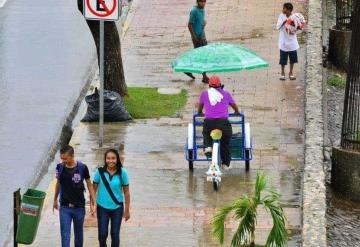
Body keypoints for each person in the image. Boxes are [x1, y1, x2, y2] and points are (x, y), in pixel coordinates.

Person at [53, 145, 96, 247]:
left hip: (79, 207)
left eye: (65, 158)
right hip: (64, 207)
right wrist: (54, 199)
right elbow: (58, 183)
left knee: (79, 235)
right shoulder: (59, 167)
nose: (63, 161)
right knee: (65, 235)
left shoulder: (82, 168)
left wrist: (94, 202)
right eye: (62, 158)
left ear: (72, 156)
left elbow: (89, 184)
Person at [198, 76, 240, 168]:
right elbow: (234, 105)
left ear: (209, 85)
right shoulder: (226, 94)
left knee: (206, 133)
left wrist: (200, 112)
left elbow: (200, 106)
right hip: (223, 124)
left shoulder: (205, 94)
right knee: (225, 142)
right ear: (220, 85)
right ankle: (226, 164)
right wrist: (237, 112)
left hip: (209, 123)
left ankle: (208, 146)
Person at [93, 149, 131, 247]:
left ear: (117, 159)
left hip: (117, 208)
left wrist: (127, 210)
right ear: (105, 159)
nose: (111, 161)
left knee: (115, 234)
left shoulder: (123, 173)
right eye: (108, 158)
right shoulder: (99, 171)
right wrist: (93, 205)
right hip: (102, 207)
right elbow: (93, 189)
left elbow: (126, 192)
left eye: (113, 158)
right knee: (102, 235)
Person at [185, 0, 209, 83]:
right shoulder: (194, 11)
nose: (203, 3)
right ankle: (204, 77)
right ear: (197, 2)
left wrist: (203, 24)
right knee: (202, 56)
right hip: (197, 38)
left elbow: (199, 23)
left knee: (201, 56)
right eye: (201, 2)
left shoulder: (202, 10)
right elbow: (190, 24)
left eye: (204, 1)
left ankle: (187, 68)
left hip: (202, 36)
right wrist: (194, 37)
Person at [276, 2, 299, 81]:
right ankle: (282, 73)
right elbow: (278, 26)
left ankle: (291, 73)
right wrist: (284, 21)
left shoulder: (295, 17)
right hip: (283, 42)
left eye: (284, 8)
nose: (283, 10)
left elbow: (298, 27)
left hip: (292, 42)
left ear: (289, 10)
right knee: (283, 59)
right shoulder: (281, 16)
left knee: (292, 59)